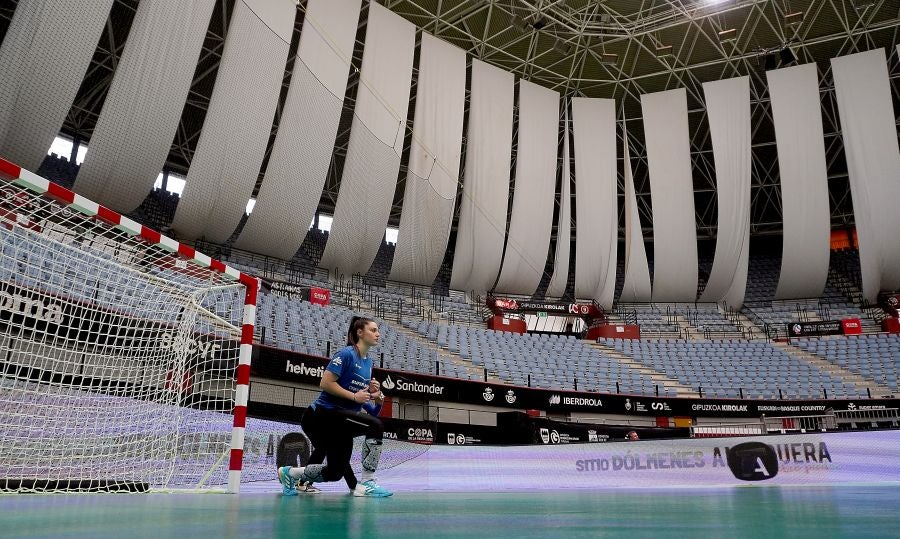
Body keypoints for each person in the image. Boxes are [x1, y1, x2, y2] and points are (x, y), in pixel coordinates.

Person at [278, 316, 392, 497]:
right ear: (360, 332)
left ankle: (289, 473)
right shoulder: (346, 354)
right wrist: (354, 396)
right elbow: (325, 383)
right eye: (373, 330)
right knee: (375, 426)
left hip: (341, 422)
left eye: (378, 330)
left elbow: (371, 411)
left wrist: (377, 399)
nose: (378, 334)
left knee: (335, 472)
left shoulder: (368, 363)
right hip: (322, 415)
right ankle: (368, 482)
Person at [298, 377, 383, 494]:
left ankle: (353, 486)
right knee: (324, 448)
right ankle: (302, 483)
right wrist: (371, 395)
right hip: (313, 419)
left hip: (332, 424)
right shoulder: (347, 390)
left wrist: (379, 403)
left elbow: (373, 413)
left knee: (339, 454)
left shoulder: (360, 394)